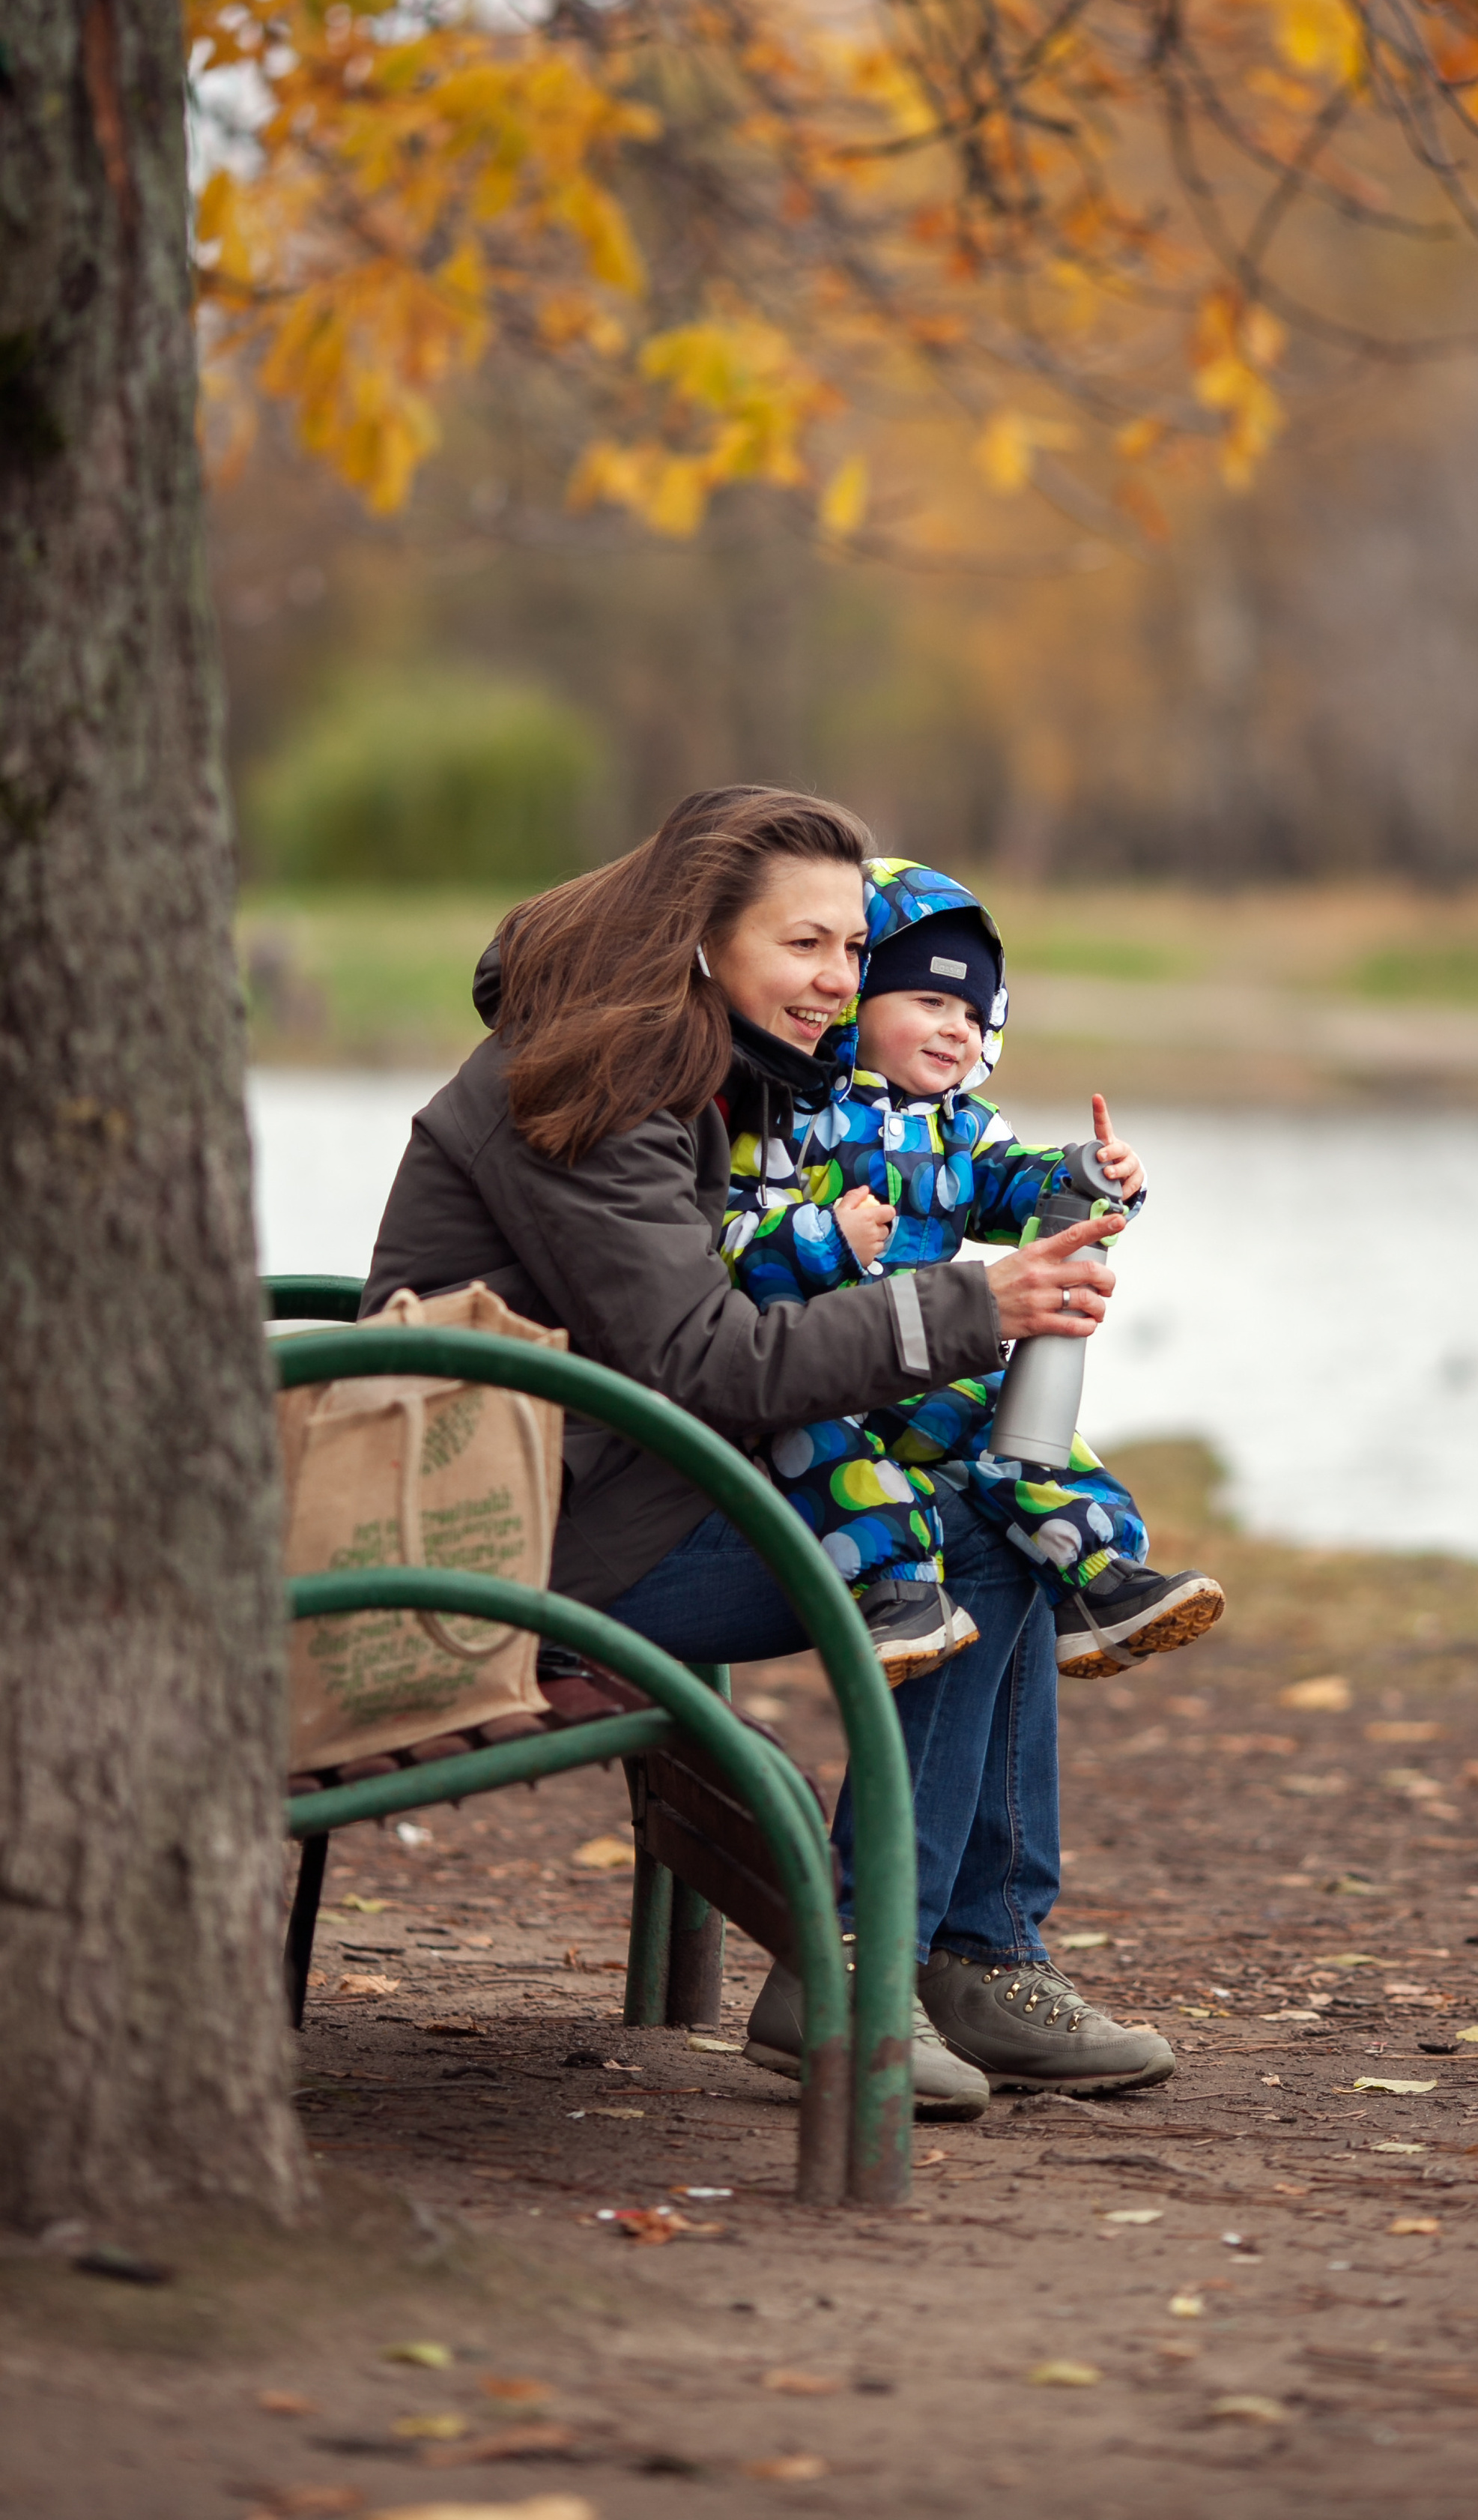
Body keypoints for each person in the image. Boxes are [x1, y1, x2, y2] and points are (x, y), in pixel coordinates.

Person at [360, 785, 1177, 2112]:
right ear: (698, 934)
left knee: (987, 1504)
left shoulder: (679, 1059)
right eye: (807, 946)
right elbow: (703, 1360)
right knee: (980, 1538)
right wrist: (976, 1306)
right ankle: (868, 1968)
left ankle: (970, 1956)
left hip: (583, 1481)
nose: (840, 983)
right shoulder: (599, 1083)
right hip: (504, 1541)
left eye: (855, 951)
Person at [721, 857, 1225, 1688]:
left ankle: (1100, 1580)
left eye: (969, 1011)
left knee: (1022, 1431)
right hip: (814, 1369)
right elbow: (730, 1241)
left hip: (919, 1366)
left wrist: (1092, 1179)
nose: (954, 1027)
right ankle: (897, 1598)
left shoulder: (965, 1128)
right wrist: (822, 1237)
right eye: (926, 1001)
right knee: (832, 1459)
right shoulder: (790, 1112)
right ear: (853, 999)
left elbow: (1017, 1188)